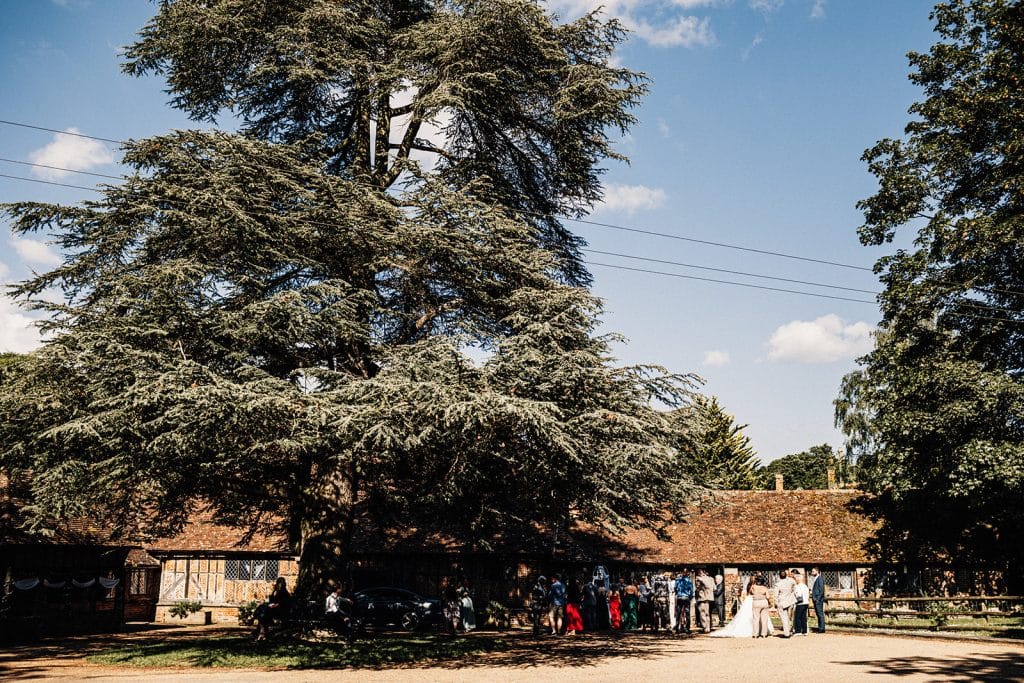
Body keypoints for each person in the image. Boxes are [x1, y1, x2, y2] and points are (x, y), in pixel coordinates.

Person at [774, 569, 797, 637]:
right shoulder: (790, 581)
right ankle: (789, 629)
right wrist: (793, 592)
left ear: (779, 576)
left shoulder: (778, 584)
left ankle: (787, 633)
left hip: (782, 602)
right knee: (788, 617)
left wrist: (776, 603)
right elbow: (795, 585)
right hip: (790, 601)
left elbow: (776, 595)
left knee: (784, 618)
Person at [695, 568, 716, 633]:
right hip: (708, 597)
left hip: (702, 597)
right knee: (707, 613)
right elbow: (715, 588)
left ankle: (705, 627)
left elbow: (700, 587)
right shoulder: (711, 579)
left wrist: (700, 582)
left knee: (702, 612)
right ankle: (708, 627)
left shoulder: (700, 578)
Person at [810, 567, 827, 633]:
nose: (812, 573)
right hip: (815, 599)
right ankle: (820, 628)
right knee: (818, 614)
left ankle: (822, 629)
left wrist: (818, 599)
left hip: (818, 600)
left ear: (817, 571)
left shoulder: (819, 579)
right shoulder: (816, 578)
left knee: (820, 614)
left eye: (813, 571)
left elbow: (822, 590)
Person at [792, 570, 809, 636]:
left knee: (797, 617)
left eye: (796, 579)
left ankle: (798, 631)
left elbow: (798, 594)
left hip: (800, 603)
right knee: (803, 617)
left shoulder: (797, 586)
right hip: (806, 603)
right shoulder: (805, 586)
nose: (795, 580)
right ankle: (805, 631)